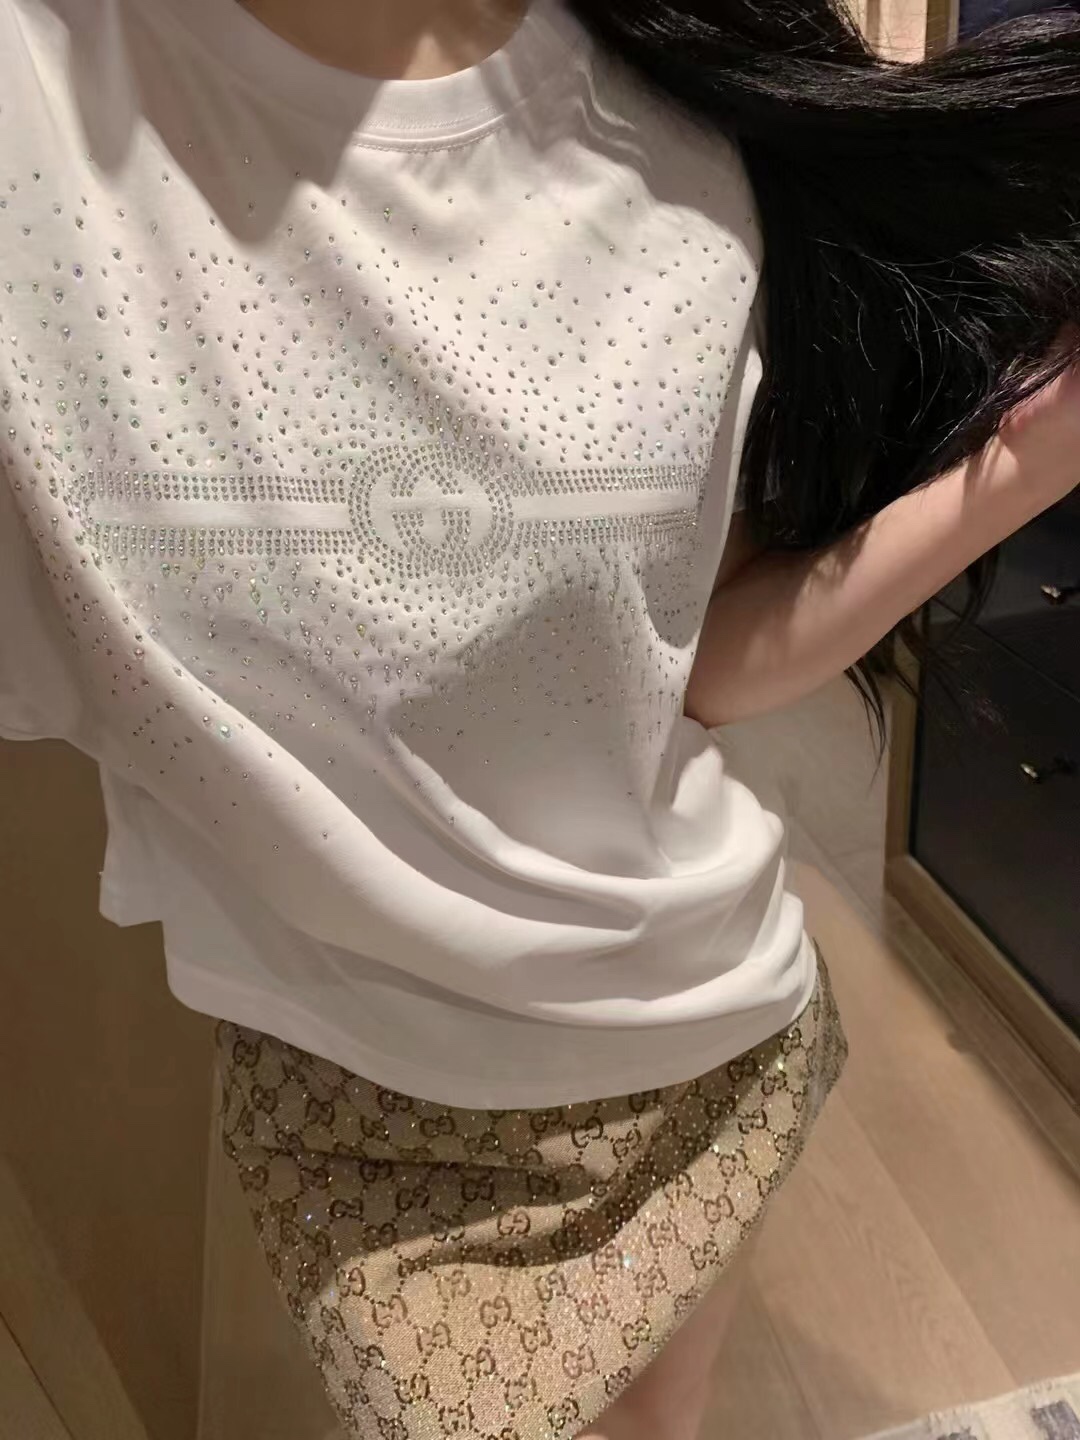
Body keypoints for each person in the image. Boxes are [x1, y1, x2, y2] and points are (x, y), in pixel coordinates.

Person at [0, 0, 1077, 1436]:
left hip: (700, 1044)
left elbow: (703, 662)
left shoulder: (691, 122)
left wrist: (1035, 461)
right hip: (356, 1113)